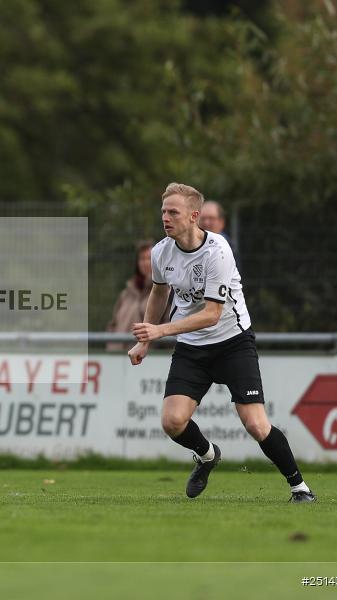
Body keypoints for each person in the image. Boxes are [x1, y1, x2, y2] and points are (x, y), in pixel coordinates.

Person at [128, 183, 314, 503]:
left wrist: (160, 331)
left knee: (256, 425)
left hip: (233, 343)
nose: (165, 218)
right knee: (172, 422)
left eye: (173, 212)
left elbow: (212, 315)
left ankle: (300, 488)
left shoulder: (218, 251)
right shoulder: (161, 252)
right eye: (163, 212)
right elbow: (159, 292)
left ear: (194, 216)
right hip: (191, 347)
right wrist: (146, 338)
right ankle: (207, 455)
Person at [106, 240, 162, 350]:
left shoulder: (164, 292)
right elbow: (113, 324)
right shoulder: (126, 293)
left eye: (149, 258)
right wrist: (111, 345)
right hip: (117, 355)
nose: (145, 262)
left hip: (147, 356)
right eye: (142, 258)